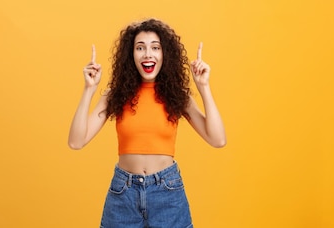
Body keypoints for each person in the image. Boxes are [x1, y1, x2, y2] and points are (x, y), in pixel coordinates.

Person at [68, 18, 226, 228]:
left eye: (155, 48)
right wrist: (88, 89)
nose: (148, 54)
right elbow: (76, 141)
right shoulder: (115, 95)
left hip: (167, 193)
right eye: (140, 48)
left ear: (164, 55)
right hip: (123, 193)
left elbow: (218, 139)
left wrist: (204, 86)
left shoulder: (177, 96)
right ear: (131, 55)